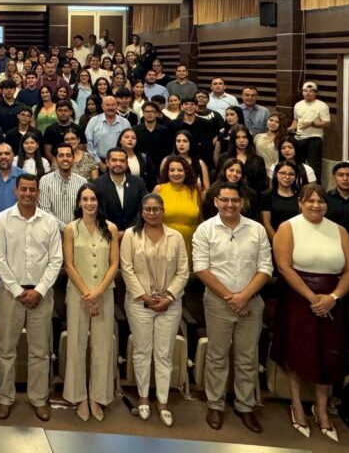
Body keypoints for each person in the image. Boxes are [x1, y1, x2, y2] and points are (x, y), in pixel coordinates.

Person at [270, 184, 349, 442]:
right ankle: (296, 405)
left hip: (332, 298)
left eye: (321, 201)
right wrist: (312, 298)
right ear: (300, 202)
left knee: (328, 354)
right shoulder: (288, 227)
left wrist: (332, 297)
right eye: (310, 201)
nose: (316, 205)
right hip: (298, 298)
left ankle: (321, 408)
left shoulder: (339, 230)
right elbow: (284, 267)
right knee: (296, 352)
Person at [192, 183, 273, 433]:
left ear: (242, 202)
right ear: (216, 201)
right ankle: (215, 404)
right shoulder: (205, 230)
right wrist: (231, 298)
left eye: (235, 200)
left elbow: (265, 268)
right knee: (217, 356)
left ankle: (245, 406)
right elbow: (201, 268)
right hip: (218, 302)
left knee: (247, 358)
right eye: (224, 200)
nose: (230, 205)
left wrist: (244, 297)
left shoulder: (256, 229)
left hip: (251, 302)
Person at [0, 173, 63, 421]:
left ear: (38, 193)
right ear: (16, 191)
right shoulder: (3, 219)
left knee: (40, 350)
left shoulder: (49, 222)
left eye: (32, 190)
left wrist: (39, 290)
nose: (28, 194)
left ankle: (39, 398)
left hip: (41, 294)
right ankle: (5, 397)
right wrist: (17, 290)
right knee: (6, 349)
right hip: (10, 293)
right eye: (24, 189)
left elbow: (56, 260)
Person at [119, 193, 189, 427]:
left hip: (169, 304)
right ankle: (142, 397)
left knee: (164, 354)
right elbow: (126, 268)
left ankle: (163, 401)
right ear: (141, 212)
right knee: (142, 351)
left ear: (163, 211)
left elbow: (183, 271)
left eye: (156, 209)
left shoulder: (175, 237)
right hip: (140, 303)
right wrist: (145, 297)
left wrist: (169, 297)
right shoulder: (131, 235)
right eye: (147, 209)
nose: (152, 213)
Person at [62, 184, 119, 422]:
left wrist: (98, 292)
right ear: (78, 202)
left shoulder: (110, 228)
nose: (89, 203)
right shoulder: (70, 229)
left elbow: (114, 264)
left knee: (102, 346)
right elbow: (68, 264)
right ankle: (79, 397)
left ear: (98, 201)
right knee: (76, 345)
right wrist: (88, 293)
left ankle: (97, 396)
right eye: (84, 199)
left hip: (104, 294)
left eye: (93, 199)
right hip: (78, 294)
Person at [154, 155, 203, 257]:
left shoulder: (194, 191)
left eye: (180, 170)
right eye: (172, 170)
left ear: (186, 172)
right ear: (167, 172)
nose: (176, 173)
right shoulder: (159, 189)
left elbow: (200, 220)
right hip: (164, 244)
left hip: (190, 244)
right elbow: (150, 218)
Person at [92, 147, 146, 234]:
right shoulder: (97, 185)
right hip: (106, 234)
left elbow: (143, 209)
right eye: (114, 160)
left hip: (134, 233)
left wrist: (128, 232)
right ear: (107, 162)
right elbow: (97, 212)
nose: (118, 164)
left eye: (122, 161)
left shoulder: (138, 183)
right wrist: (113, 231)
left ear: (127, 164)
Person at [38, 142, 88, 230]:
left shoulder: (82, 182)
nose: (65, 159)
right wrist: (65, 228)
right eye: (61, 156)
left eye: (68, 155)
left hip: (77, 231)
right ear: (55, 159)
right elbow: (45, 211)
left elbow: (85, 209)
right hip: (52, 232)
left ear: (73, 158)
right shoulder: (45, 180)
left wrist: (74, 229)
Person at [289, 81, 330, 185]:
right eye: (305, 91)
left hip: (314, 138)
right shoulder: (298, 105)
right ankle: (300, 185)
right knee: (299, 164)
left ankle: (315, 187)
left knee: (314, 166)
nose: (308, 93)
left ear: (316, 93)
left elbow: (327, 123)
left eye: (311, 91)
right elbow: (296, 119)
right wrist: (292, 127)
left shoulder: (322, 105)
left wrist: (312, 123)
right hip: (299, 138)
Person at [258, 161, 302, 242]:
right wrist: (278, 242)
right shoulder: (267, 196)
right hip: (275, 240)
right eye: (283, 173)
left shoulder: (300, 196)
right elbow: (266, 224)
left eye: (291, 174)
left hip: (297, 239)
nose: (287, 177)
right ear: (276, 174)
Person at [85, 94, 131, 163]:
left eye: (113, 105)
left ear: (117, 106)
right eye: (107, 105)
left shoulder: (125, 123)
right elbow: (89, 144)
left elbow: (128, 144)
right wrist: (99, 163)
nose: (110, 107)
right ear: (102, 106)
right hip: (97, 162)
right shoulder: (93, 121)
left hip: (119, 162)